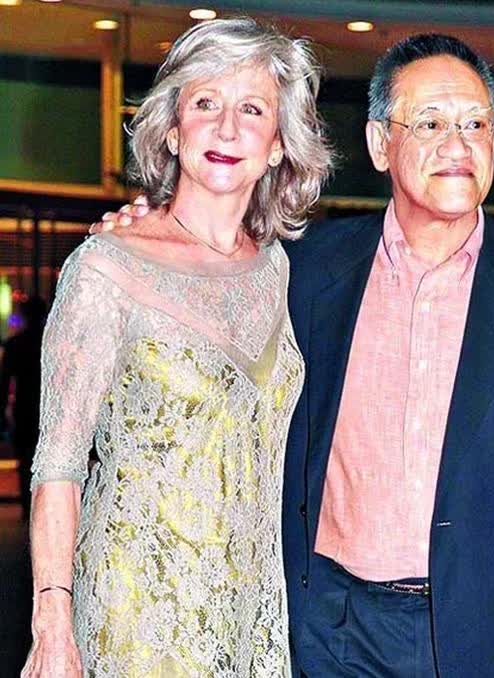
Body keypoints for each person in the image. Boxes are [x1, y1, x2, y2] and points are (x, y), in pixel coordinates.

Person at [96, 33, 494, 678]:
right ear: (378, 144)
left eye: (475, 124)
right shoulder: (303, 270)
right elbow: (203, 274)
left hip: (481, 637)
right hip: (328, 629)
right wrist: (141, 229)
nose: (458, 145)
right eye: (430, 123)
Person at [22, 18, 331, 678]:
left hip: (251, 613)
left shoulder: (278, 269)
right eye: (205, 104)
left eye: (252, 110)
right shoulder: (106, 268)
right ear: (171, 129)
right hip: (139, 614)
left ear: (279, 144)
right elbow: (58, 462)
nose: (227, 129)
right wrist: (52, 625)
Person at [0, 296, 47, 518]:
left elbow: (5, 380)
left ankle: (29, 507)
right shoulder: (50, 342)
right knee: (45, 458)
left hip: (25, 406)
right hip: (45, 407)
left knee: (25, 458)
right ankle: (40, 505)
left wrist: (2, 410)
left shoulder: (16, 344)